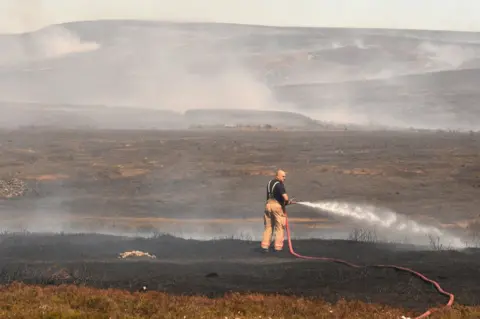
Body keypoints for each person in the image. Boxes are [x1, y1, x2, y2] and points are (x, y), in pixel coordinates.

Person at [261, 169, 294, 253]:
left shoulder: (269, 183)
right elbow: (285, 198)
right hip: (276, 206)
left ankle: (265, 246)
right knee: (280, 227)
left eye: (285, 176)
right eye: (283, 176)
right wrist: (288, 202)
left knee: (268, 226)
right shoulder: (279, 185)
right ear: (277, 176)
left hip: (268, 206)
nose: (284, 178)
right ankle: (278, 248)